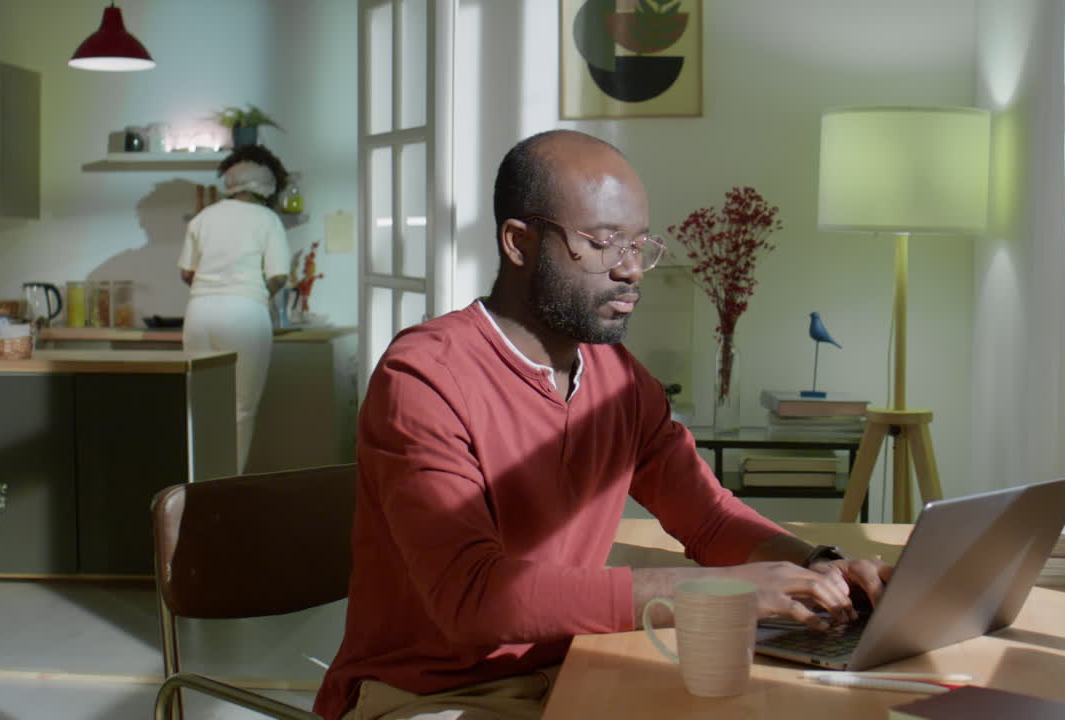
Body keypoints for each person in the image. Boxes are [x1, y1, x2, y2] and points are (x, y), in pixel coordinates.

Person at [314, 130, 892, 720]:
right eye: (605, 242)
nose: (632, 269)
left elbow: (710, 517)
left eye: (641, 244)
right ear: (519, 242)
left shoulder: (619, 380)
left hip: (571, 673)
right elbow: (475, 598)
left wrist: (818, 565)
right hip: (431, 697)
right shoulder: (424, 377)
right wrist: (720, 594)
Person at [178, 145, 291, 473]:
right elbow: (278, 275)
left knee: (199, 404)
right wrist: (253, 292)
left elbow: (187, 272)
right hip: (244, 314)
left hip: (199, 314)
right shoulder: (267, 219)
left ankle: (194, 481)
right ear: (268, 187)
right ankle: (227, 484)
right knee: (241, 408)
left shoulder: (203, 217)